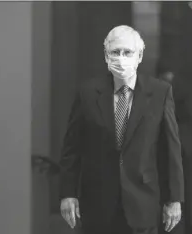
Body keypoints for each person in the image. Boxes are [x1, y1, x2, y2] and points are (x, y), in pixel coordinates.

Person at [59, 25, 185, 234]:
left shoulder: (160, 93)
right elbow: (72, 148)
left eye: (127, 52)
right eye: (115, 52)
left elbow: (171, 150)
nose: (121, 58)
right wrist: (67, 193)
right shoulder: (88, 93)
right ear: (106, 56)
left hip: (143, 201)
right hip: (98, 203)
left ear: (140, 55)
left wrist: (174, 199)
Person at [157, 67, 192, 234]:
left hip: (178, 150)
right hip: (178, 149)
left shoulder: (160, 93)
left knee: (183, 195)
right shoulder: (182, 93)